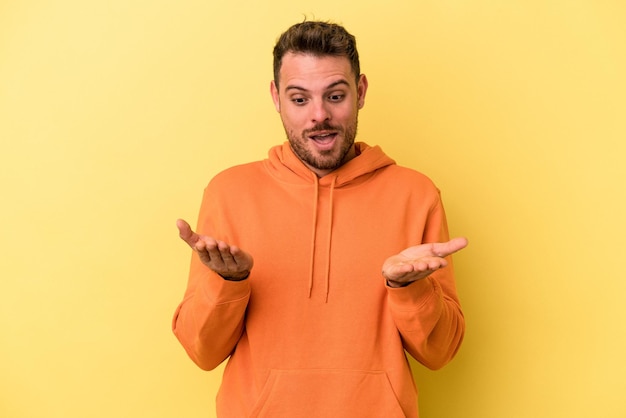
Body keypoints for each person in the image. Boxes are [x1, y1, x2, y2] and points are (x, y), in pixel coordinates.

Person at [172, 20, 468, 418]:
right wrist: (229, 283)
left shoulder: (416, 195)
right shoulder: (229, 193)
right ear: (276, 97)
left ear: (360, 92)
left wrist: (408, 289)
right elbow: (202, 352)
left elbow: (441, 353)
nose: (319, 116)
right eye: (299, 99)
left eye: (335, 95)